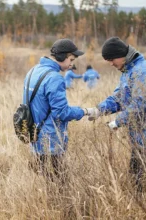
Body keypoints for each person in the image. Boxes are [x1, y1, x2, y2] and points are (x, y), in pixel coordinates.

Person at [87, 37, 146, 191]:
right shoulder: (128, 71)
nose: (111, 64)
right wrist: (99, 110)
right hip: (141, 137)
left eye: (112, 59)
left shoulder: (143, 72)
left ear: (121, 54)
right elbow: (119, 98)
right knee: (136, 178)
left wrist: (117, 122)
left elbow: (141, 103)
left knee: (144, 182)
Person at [23, 38, 94, 178]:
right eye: (71, 59)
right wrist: (84, 111)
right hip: (51, 140)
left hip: (34, 135)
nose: (71, 64)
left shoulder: (33, 71)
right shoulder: (54, 78)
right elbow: (62, 112)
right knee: (60, 185)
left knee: (40, 180)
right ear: (62, 56)